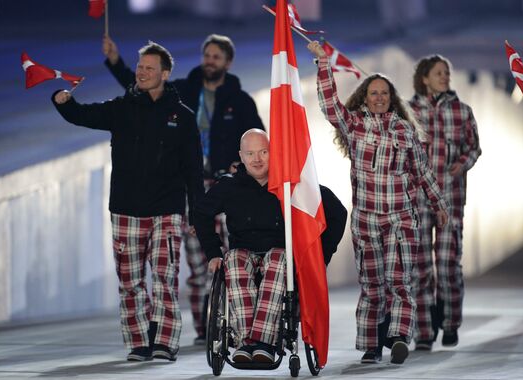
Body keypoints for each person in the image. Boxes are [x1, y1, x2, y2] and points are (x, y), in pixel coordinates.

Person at [103, 34, 264, 344]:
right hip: (191, 186)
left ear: (227, 63)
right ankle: (206, 327)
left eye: (216, 57)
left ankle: (233, 323)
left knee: (232, 256)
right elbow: (142, 83)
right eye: (207, 55)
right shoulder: (184, 91)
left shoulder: (240, 100)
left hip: (228, 188)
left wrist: (240, 166)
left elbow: (259, 140)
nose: (210, 61)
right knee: (197, 256)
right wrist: (115, 63)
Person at [52, 42, 204, 362]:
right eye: (139, 66)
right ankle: (138, 341)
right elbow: (84, 115)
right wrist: (63, 102)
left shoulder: (183, 116)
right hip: (126, 208)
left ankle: (164, 340)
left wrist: (197, 212)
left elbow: (192, 168)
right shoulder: (122, 107)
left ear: (165, 74)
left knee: (165, 276)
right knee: (130, 282)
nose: (142, 72)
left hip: (167, 208)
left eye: (149, 68)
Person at [307, 40, 449, 365]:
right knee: (372, 285)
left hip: (401, 218)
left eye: (385, 93)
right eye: (374, 93)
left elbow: (422, 172)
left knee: (399, 281)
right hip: (367, 221)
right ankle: (371, 346)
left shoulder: (404, 130)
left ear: (392, 98)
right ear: (365, 98)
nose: (380, 97)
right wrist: (323, 64)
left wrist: (438, 204)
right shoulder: (354, 125)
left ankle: (398, 336)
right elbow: (330, 105)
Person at [194, 129, 347, 364]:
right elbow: (200, 213)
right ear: (241, 156)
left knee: (277, 259)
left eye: (263, 152)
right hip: (243, 251)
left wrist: (321, 257)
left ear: (273, 152)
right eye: (250, 153)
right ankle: (247, 343)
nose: (257, 159)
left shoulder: (290, 184)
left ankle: (264, 342)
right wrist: (213, 252)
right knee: (232, 260)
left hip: (279, 251)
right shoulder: (229, 186)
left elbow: (337, 212)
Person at [409, 55, 482, 351]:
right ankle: (424, 330)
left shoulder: (462, 111)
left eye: (447, 72)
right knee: (422, 265)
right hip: (419, 199)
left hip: (450, 199)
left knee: (448, 263)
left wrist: (462, 163)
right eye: (439, 73)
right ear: (425, 77)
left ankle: (451, 322)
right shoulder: (408, 111)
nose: (445, 77)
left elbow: (474, 147)